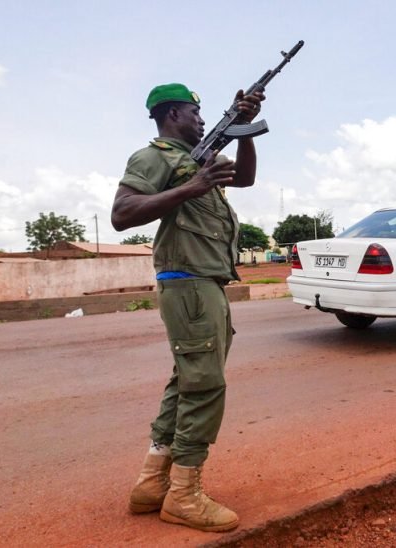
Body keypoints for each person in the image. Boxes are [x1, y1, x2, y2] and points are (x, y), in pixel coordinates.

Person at [111, 82, 265, 532]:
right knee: (205, 386)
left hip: (204, 282)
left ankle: (152, 483)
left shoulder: (200, 158)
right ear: (173, 114)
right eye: (195, 113)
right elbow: (122, 214)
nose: (201, 120)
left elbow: (245, 178)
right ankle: (183, 495)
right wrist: (191, 187)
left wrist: (244, 129)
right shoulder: (153, 157)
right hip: (189, 282)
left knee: (188, 380)